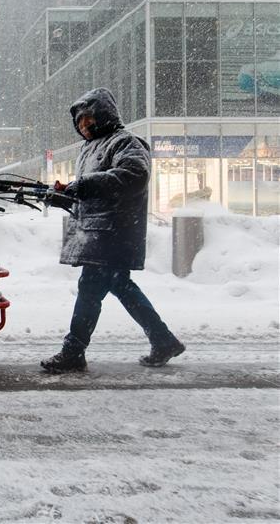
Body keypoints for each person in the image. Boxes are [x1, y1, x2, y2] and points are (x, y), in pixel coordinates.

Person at [41, 88, 185, 373]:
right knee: (121, 286)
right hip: (98, 232)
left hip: (114, 232)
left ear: (104, 115)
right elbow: (91, 190)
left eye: (88, 118)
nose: (84, 126)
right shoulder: (90, 148)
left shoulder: (125, 142)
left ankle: (73, 351)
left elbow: (133, 176)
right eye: (79, 121)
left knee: (90, 288)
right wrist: (61, 195)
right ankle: (163, 339)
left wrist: (83, 185)